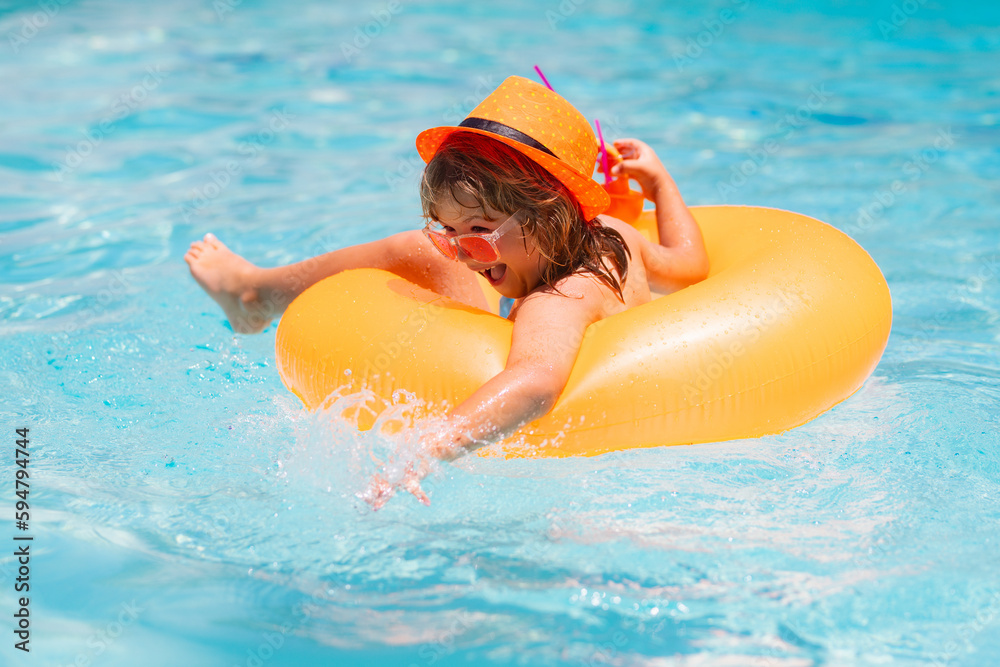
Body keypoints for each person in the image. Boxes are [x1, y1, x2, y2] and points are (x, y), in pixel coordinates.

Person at [185, 76, 709, 508]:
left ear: (550, 218)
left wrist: (427, 448)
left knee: (415, 252)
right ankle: (256, 295)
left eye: (480, 231)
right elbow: (688, 268)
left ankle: (256, 296)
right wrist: (660, 184)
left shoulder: (558, 300)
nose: (459, 252)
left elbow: (535, 382)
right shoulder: (619, 240)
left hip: (556, 450)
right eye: (445, 230)